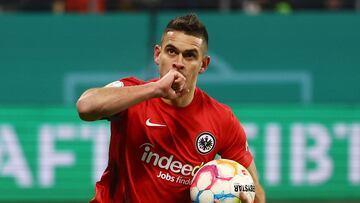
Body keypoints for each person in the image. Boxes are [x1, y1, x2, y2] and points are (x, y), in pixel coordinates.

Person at [76, 13, 266, 203]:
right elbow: (85, 106)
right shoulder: (132, 93)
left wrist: (242, 195)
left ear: (204, 64)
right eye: (171, 51)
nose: (179, 63)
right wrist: (155, 89)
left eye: (189, 55)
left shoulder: (222, 119)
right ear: (158, 55)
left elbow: (254, 191)